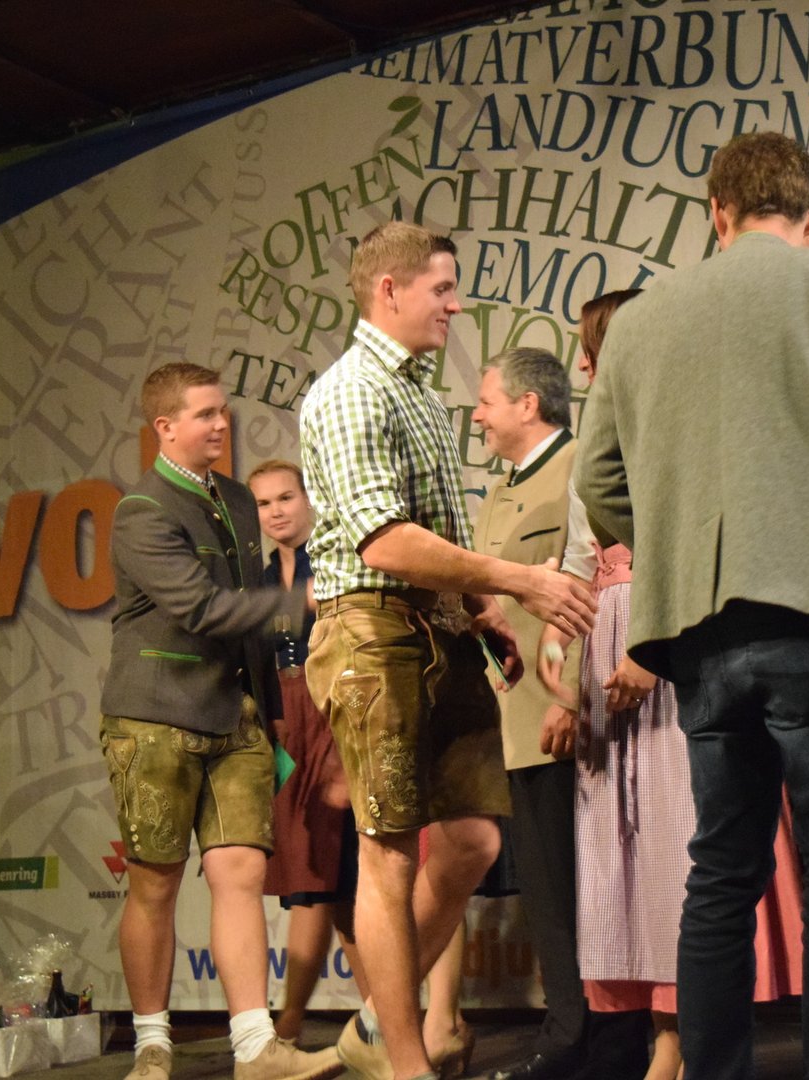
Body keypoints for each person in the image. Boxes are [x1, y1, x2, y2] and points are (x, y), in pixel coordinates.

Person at [574, 132, 809, 1080]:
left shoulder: (642, 320)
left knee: (721, 873)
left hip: (701, 632)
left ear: (717, 214)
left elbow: (598, 480)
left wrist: (677, 550)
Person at [298, 221, 596, 1080]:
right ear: (388, 290)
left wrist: (479, 610)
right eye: (442, 288)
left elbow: (436, 531)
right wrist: (518, 580)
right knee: (390, 851)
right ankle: (406, 1062)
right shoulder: (350, 391)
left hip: (438, 631)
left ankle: (374, 1023)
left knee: (472, 841)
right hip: (373, 635)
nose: (456, 305)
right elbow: (385, 542)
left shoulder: (422, 399)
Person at [538, 291, 806, 1080]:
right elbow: (580, 561)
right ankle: (649, 1033)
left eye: (594, 348)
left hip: (674, 637)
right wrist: (559, 656)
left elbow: (702, 543)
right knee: (616, 852)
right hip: (606, 644)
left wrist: (655, 654)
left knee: (677, 847)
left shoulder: (684, 428)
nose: (586, 365)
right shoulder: (597, 442)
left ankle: (679, 1040)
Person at [98, 363, 341, 1080]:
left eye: (223, 411)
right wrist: (301, 600)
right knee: (156, 883)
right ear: (165, 426)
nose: (220, 423)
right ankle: (151, 1042)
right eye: (204, 414)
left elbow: (243, 620)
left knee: (241, 871)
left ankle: (254, 1046)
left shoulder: (235, 498)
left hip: (236, 715)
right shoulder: (141, 510)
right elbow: (202, 609)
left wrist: (271, 711)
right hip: (157, 716)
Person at [471, 346, 643, 1080]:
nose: (477, 415)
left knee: (585, 889)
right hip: (512, 719)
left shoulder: (577, 468)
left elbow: (589, 590)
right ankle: (574, 1029)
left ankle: (588, 1037)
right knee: (546, 891)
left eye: (487, 400)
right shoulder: (500, 491)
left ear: (528, 404)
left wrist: (572, 697)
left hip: (562, 718)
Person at [247, 459, 369, 1044]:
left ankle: (313, 1024)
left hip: (335, 711)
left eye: (285, 497)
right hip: (283, 721)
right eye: (264, 502)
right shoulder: (259, 577)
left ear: (309, 498)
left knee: (335, 880)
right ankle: (361, 1024)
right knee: (316, 881)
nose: (276, 511)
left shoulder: (338, 556)